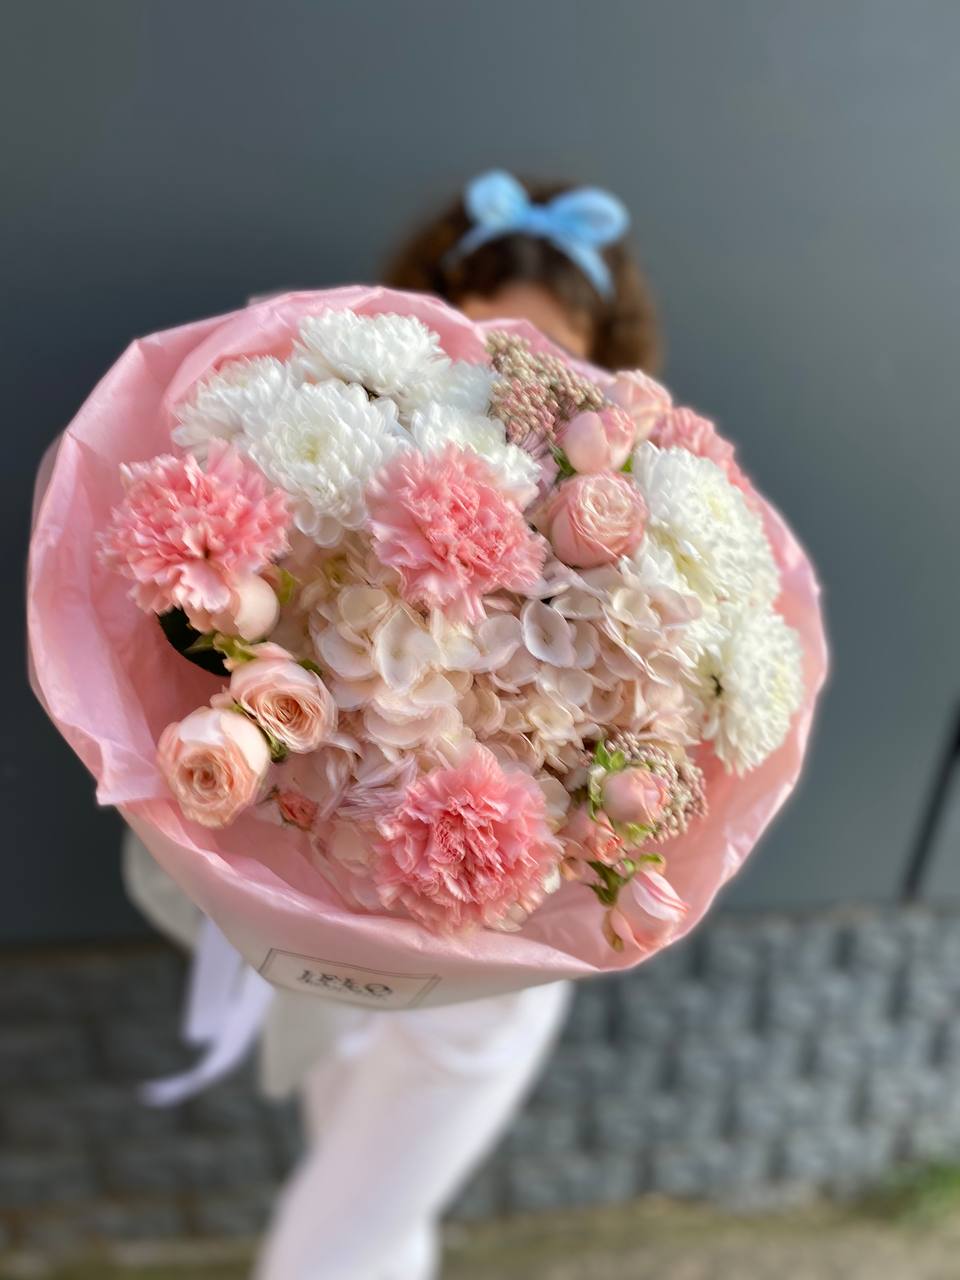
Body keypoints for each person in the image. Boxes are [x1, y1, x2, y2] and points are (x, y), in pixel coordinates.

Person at [124, 170, 661, 1280]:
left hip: (502, 904)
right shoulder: (355, 431)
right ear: (433, 313)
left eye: (552, 349)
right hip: (338, 864)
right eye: (490, 331)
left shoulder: (626, 504)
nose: (516, 367)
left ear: (599, 359)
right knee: (365, 1192)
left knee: (362, 1212)